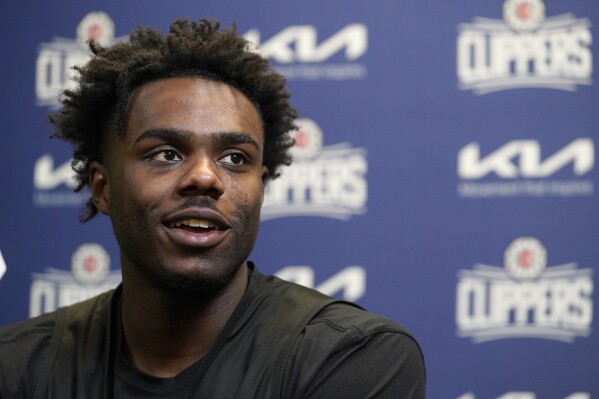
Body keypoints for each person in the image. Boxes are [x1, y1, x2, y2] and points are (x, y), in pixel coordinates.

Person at [0, 19, 425, 398]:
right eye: (166, 153)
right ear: (102, 187)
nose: (205, 177)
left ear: (261, 187)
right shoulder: (18, 367)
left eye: (235, 158)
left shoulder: (352, 356)